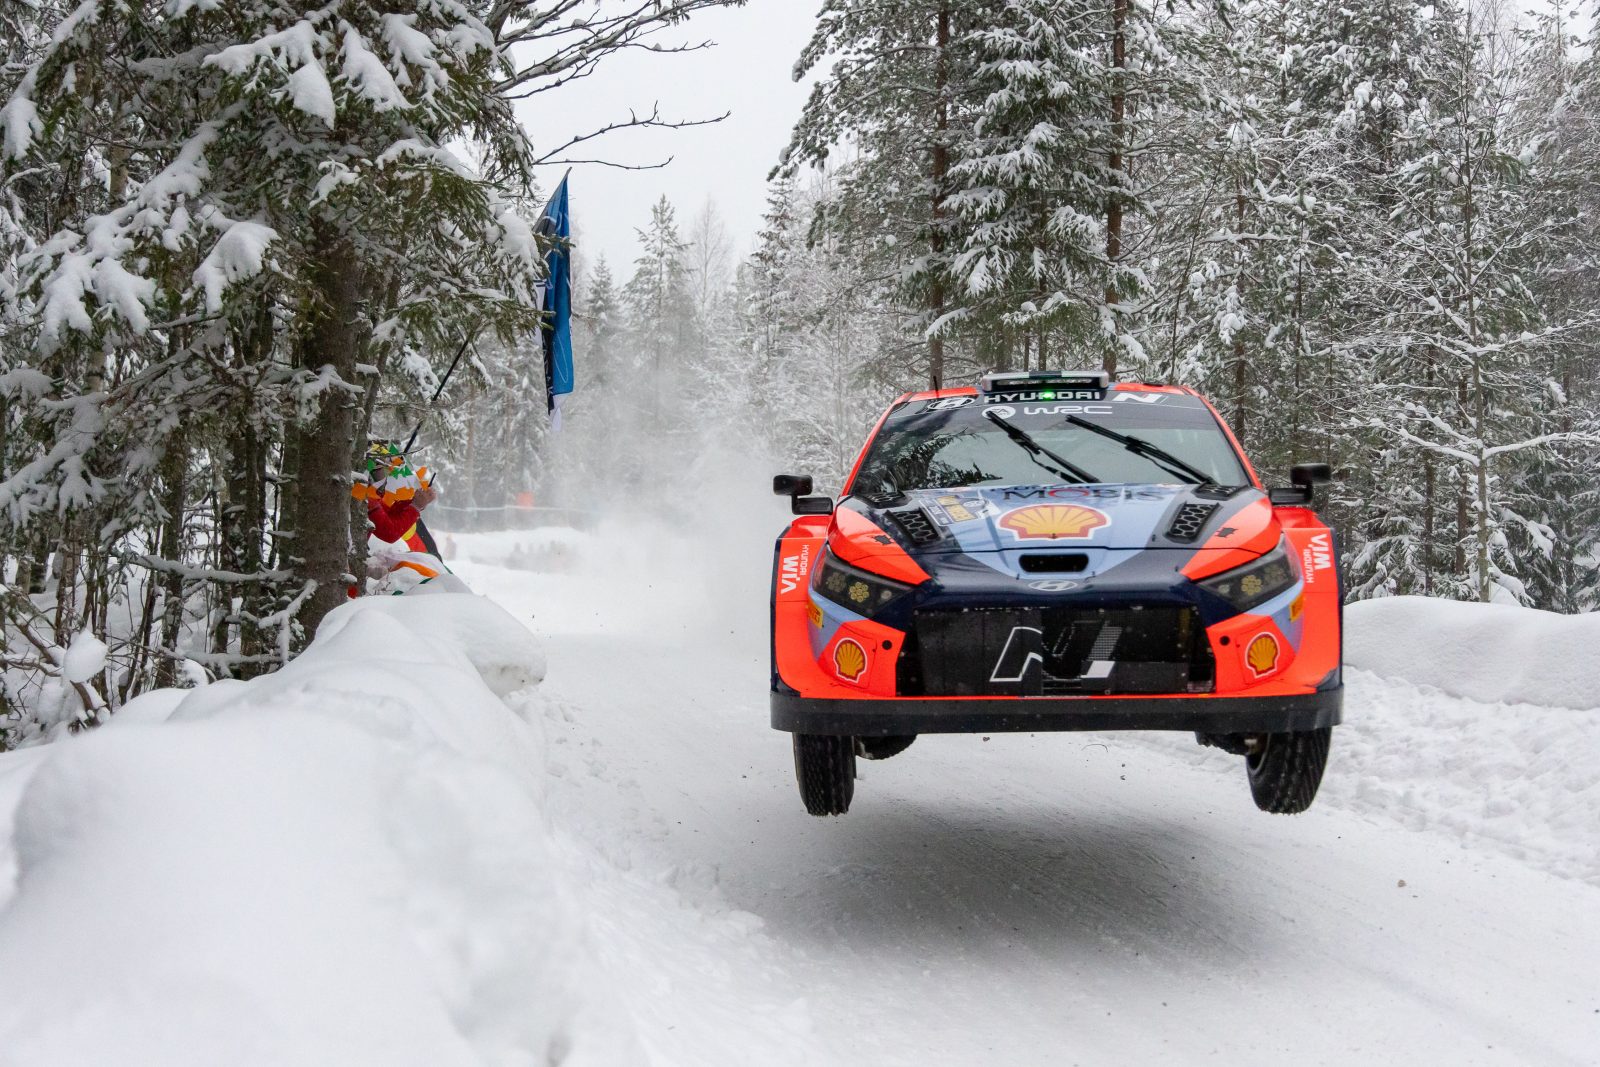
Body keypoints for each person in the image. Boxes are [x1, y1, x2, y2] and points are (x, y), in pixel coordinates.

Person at [354, 442, 463, 592]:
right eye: (381, 471)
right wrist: (415, 506)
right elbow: (389, 532)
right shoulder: (361, 493)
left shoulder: (367, 493)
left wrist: (414, 503)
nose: (385, 478)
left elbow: (388, 514)